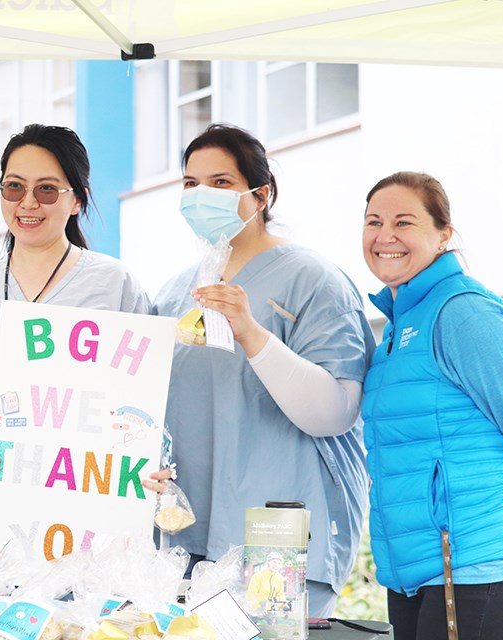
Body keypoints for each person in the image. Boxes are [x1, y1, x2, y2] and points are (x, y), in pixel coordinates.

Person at [152, 123, 375, 617]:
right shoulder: (171, 295)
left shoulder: (313, 280)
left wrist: (252, 332)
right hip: (185, 539)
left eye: (221, 182)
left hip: (279, 533)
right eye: (190, 184)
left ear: (261, 194)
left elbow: (335, 412)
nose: (200, 196)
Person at [0, 123, 159, 530]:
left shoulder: (115, 286)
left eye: (47, 189)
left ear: (77, 201)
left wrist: (148, 460)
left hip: (88, 518)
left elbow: (148, 408)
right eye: (14, 187)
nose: (28, 203)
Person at [361, 172, 503, 640]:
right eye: (373, 222)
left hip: (472, 567)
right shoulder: (398, 327)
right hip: (415, 571)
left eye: (404, 222)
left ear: (443, 234)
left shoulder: (461, 312)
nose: (385, 236)